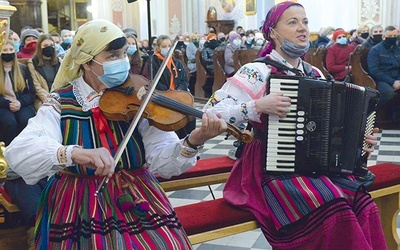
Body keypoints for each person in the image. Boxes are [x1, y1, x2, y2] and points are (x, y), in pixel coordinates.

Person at [4, 19, 226, 249]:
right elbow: (20, 151)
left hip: (137, 195)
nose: (123, 61)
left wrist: (195, 139)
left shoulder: (138, 98)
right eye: (112, 56)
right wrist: (75, 154)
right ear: (87, 62)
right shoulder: (61, 102)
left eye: (123, 54)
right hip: (79, 202)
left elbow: (162, 162)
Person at [204, 2, 386, 249]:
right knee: (333, 205)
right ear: (272, 32)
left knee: (362, 201)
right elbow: (211, 111)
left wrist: (359, 142)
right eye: (292, 22)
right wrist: (257, 106)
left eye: (305, 22)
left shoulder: (315, 74)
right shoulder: (257, 71)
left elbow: (333, 129)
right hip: (269, 168)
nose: (302, 29)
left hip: (314, 165)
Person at [149, 34, 196, 137]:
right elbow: (154, 82)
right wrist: (168, 93)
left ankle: (189, 137)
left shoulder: (177, 62)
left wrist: (178, 91)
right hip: (163, 96)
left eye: (169, 46)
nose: (167, 49)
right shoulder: (153, 61)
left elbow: (184, 80)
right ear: (158, 48)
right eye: (164, 46)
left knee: (191, 113)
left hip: (177, 95)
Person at [0, 41, 36, 145]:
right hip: (3, 105)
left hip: (22, 103)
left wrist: (20, 103)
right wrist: (7, 104)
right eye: (5, 50)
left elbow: (31, 93)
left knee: (26, 120)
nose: (8, 53)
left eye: (11, 50)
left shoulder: (23, 69)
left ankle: (26, 148)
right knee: (9, 123)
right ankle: (8, 150)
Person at [367, 25, 400, 122]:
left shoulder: (398, 49)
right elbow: (374, 70)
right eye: (390, 36)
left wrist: (398, 80)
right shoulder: (375, 50)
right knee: (388, 92)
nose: (393, 39)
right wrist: (392, 82)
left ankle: (395, 113)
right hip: (382, 79)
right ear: (384, 37)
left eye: (395, 36)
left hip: (397, 78)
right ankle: (374, 114)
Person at [27, 34, 61, 110]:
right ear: (40, 47)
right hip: (42, 99)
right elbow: (36, 86)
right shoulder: (32, 63)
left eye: (52, 45)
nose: (49, 47)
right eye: (45, 45)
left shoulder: (60, 62)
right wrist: (48, 99)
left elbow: (63, 82)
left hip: (59, 97)